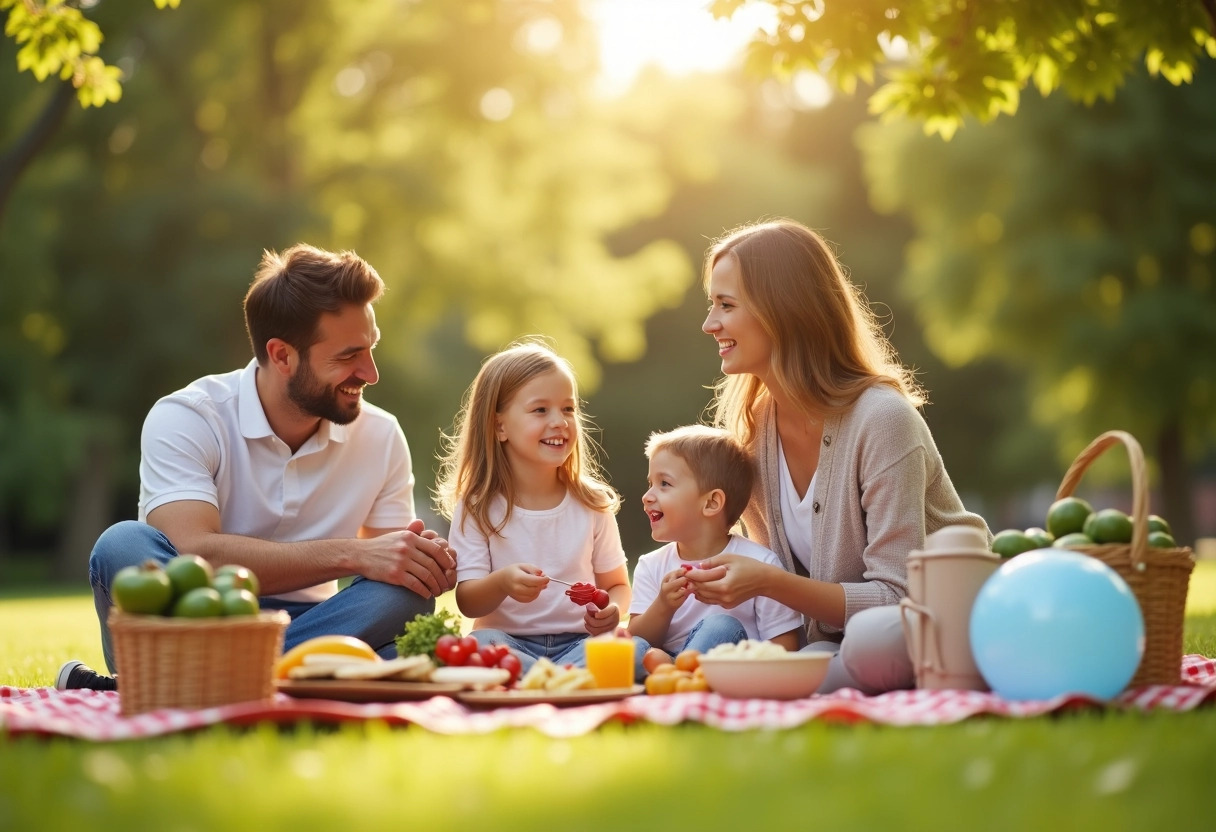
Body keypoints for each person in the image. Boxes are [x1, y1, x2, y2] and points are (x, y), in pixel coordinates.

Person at [57, 244, 458, 692]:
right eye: (348, 356)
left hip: (320, 620)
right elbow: (196, 552)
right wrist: (355, 553)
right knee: (122, 544)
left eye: (371, 348)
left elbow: (394, 566)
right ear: (282, 356)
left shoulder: (381, 435)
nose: (371, 372)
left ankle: (185, 679)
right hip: (199, 613)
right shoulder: (188, 417)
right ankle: (297, 673)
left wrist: (425, 561)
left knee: (409, 592)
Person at [684, 218, 990, 694]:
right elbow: (784, 595)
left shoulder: (882, 420)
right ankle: (804, 681)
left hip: (936, 622)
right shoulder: (754, 432)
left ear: (782, 310)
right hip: (839, 641)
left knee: (869, 643)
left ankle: (792, 684)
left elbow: (897, 596)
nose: (709, 324)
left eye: (726, 305)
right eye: (712, 305)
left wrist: (767, 583)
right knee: (810, 651)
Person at [436, 339, 647, 680]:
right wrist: (502, 582)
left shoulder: (592, 503)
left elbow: (618, 586)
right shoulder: (476, 506)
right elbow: (468, 601)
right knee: (481, 644)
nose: (560, 421)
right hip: (507, 641)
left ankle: (539, 679)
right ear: (498, 426)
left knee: (637, 651)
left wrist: (612, 609)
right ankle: (564, 679)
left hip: (580, 642)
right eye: (540, 410)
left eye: (568, 409)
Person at [627, 424, 802, 667]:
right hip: (664, 663)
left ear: (711, 503)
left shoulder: (760, 565)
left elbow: (785, 645)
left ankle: (678, 674)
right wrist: (663, 606)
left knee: (721, 625)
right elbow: (640, 636)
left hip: (728, 673)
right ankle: (674, 672)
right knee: (632, 647)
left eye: (664, 484)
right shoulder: (651, 565)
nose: (647, 496)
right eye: (650, 483)